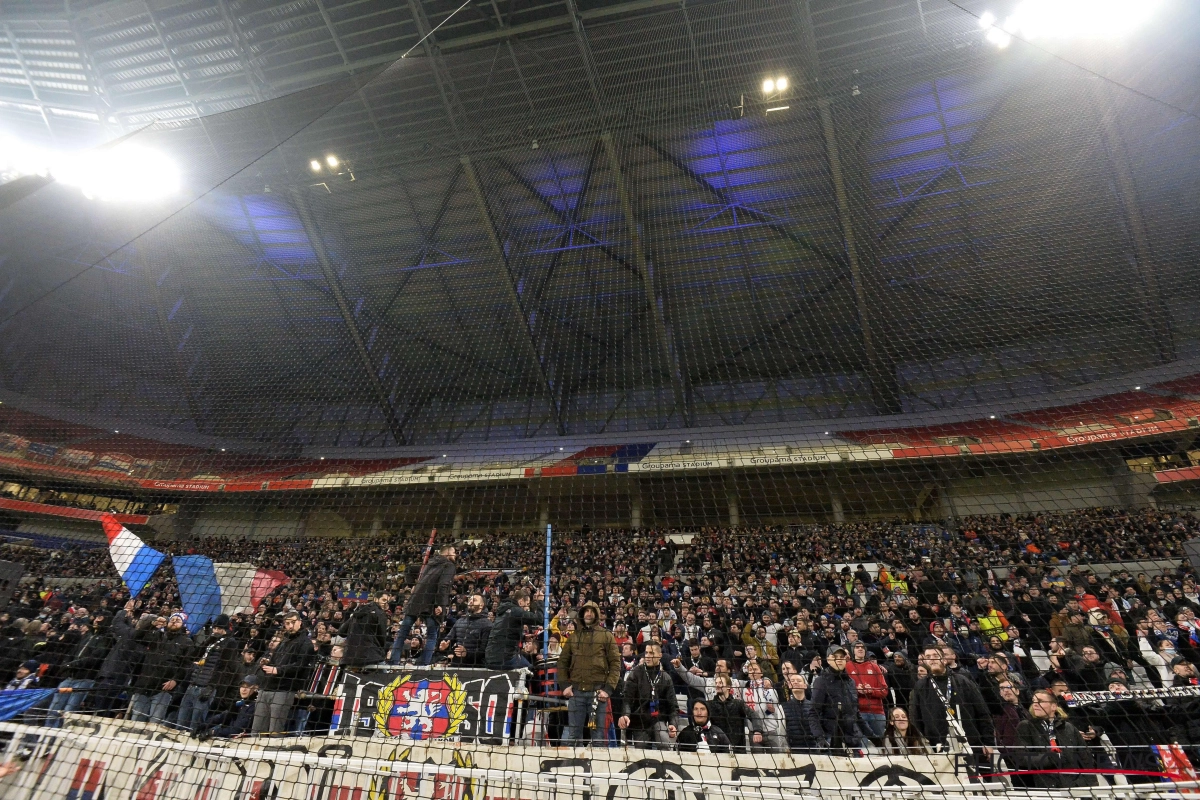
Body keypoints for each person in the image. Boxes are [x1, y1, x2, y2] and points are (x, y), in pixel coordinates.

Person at [909, 646, 994, 756]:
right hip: (938, 747)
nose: (932, 659)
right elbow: (916, 718)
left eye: (935, 656)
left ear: (944, 660)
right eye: (928, 657)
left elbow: (983, 713)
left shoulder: (963, 681)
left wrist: (988, 743)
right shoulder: (920, 686)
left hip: (971, 745)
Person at [558, 602, 619, 746]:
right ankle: (573, 768)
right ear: (582, 613)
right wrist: (565, 686)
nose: (589, 614)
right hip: (576, 693)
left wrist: (608, 689)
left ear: (597, 614)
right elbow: (562, 662)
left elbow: (616, 663)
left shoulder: (606, 636)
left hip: (598, 694)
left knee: (598, 738)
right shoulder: (573, 637)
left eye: (592, 611)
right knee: (573, 736)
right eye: (586, 611)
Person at [1014, 690, 1096, 788]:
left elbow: (1085, 758)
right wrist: (1050, 759)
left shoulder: (1068, 727)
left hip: (1075, 786)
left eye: (1040, 701)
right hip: (1045, 787)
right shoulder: (1026, 726)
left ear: (1053, 706)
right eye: (1034, 701)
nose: (1035, 705)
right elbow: (1022, 757)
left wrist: (1091, 784)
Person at [390, 545, 457, 665]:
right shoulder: (449, 565)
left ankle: (394, 662)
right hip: (431, 604)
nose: (455, 554)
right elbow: (443, 585)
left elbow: (409, 569)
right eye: (453, 551)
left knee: (402, 634)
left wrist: (411, 585)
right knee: (432, 635)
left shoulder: (429, 563)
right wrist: (440, 604)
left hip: (415, 601)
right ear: (447, 553)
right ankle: (423, 665)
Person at [178, 614, 242, 733]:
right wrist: (207, 641)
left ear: (225, 629)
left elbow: (226, 668)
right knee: (180, 725)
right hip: (193, 684)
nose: (216, 630)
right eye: (215, 628)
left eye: (219, 628)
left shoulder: (230, 642)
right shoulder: (210, 641)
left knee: (194, 727)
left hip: (206, 689)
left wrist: (212, 687)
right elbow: (193, 656)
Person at [253, 611, 313, 734]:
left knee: (275, 731)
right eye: (287, 623)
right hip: (266, 687)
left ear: (300, 622)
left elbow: (300, 666)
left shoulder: (306, 643)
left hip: (284, 690)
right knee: (256, 730)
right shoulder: (284, 641)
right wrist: (268, 662)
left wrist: (278, 670)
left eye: (293, 622)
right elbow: (276, 660)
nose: (290, 626)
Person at [45, 615, 110, 727]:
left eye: (99, 618)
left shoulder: (105, 639)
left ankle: (57, 740)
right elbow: (72, 653)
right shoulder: (86, 636)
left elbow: (96, 658)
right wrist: (66, 665)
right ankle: (45, 737)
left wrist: (72, 664)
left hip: (85, 679)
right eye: (96, 618)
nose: (95, 620)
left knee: (69, 712)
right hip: (70, 677)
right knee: (53, 710)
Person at [618, 642, 678, 748]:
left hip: (659, 720)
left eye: (651, 653)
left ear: (660, 655)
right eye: (646, 653)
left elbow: (673, 705)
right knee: (641, 749)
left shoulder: (666, 678)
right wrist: (626, 715)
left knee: (665, 744)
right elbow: (627, 699)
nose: (648, 656)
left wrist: (673, 723)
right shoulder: (636, 673)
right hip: (640, 722)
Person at [810, 644, 864, 752]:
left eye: (842, 657)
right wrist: (819, 737)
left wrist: (873, 736)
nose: (839, 660)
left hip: (853, 739)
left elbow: (856, 713)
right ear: (828, 660)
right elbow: (814, 713)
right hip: (832, 739)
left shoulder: (851, 682)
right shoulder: (821, 681)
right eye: (835, 657)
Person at [486, 588, 543, 669]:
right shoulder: (515, 610)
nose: (527, 608)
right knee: (531, 670)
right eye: (527, 604)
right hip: (505, 658)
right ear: (521, 601)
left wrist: (523, 637)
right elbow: (539, 619)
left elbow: (505, 631)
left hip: (491, 657)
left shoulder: (503, 610)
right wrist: (540, 601)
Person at [846, 641, 888, 741]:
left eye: (862, 647)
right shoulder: (847, 667)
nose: (860, 649)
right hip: (858, 713)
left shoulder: (875, 667)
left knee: (881, 745)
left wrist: (871, 691)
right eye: (857, 647)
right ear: (853, 651)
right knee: (863, 749)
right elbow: (844, 690)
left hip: (877, 712)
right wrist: (856, 690)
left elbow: (884, 691)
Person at [338, 592, 391, 668]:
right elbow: (382, 638)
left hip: (350, 658)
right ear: (375, 599)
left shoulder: (357, 612)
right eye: (384, 600)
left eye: (387, 601)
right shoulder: (380, 614)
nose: (386, 603)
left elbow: (341, 632)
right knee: (386, 678)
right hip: (371, 657)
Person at [196, 675, 258, 740]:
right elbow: (222, 716)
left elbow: (237, 730)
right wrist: (203, 726)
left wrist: (212, 732)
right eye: (242, 686)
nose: (244, 689)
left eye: (247, 687)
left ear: (255, 688)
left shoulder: (254, 706)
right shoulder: (239, 703)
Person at [708, 674, 753, 752]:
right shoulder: (709, 705)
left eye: (720, 683)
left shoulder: (738, 704)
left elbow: (753, 715)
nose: (717, 685)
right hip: (718, 750)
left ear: (728, 686)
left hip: (738, 749)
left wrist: (757, 731)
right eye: (716, 683)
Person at [444, 594, 493, 667]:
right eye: (470, 600)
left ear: (481, 605)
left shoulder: (487, 625)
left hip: (476, 668)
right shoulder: (460, 621)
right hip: (456, 665)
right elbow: (449, 639)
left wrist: (467, 654)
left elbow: (484, 651)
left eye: (474, 600)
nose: (470, 602)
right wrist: (444, 645)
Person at [780, 673, 821, 752]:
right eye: (793, 681)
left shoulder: (814, 706)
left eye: (799, 681)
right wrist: (785, 749)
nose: (795, 682)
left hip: (814, 750)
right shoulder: (783, 707)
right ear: (789, 685)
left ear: (805, 685)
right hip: (794, 752)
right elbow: (781, 733)